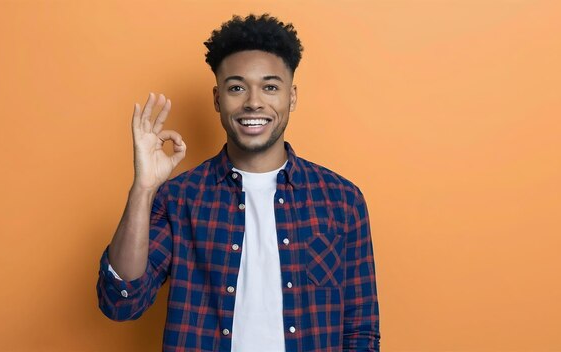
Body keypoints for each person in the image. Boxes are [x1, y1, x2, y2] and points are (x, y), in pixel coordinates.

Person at [96, 14, 380, 352]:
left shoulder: (342, 200)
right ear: (218, 99)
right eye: (237, 87)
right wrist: (143, 189)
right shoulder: (179, 198)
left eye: (270, 87)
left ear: (292, 97)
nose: (254, 102)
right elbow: (122, 302)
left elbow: (360, 333)